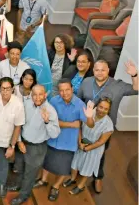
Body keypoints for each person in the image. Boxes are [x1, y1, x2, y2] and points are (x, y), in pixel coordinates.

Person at [76, 59, 138, 193]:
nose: (99, 72)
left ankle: (98, 177)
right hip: (86, 125)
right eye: (97, 70)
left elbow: (136, 89)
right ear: (93, 70)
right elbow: (79, 100)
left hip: (104, 129)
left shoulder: (117, 85)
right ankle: (80, 170)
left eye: (103, 70)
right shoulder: (86, 82)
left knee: (99, 153)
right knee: (82, 146)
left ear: (108, 71)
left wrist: (134, 75)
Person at [36, 79, 94, 202]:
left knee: (64, 168)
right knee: (46, 163)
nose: (64, 93)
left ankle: (56, 186)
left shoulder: (80, 105)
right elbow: (50, 121)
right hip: (52, 138)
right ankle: (43, 180)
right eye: (61, 90)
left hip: (68, 143)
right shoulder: (53, 101)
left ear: (72, 89)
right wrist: (71, 124)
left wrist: (89, 117)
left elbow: (90, 125)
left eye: (67, 89)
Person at [8, 85, 60, 205]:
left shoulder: (50, 110)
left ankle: (23, 196)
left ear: (45, 95)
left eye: (40, 94)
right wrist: (19, 141)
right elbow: (19, 124)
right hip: (22, 143)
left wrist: (47, 122)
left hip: (37, 148)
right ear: (31, 95)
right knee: (19, 168)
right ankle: (18, 186)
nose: (37, 97)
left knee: (30, 174)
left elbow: (55, 134)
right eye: (34, 94)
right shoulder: (26, 105)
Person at [65, 97, 114, 195]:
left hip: (94, 148)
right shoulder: (88, 113)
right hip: (82, 142)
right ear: (97, 105)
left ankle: (81, 186)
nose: (102, 110)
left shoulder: (108, 125)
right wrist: (80, 142)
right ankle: (73, 178)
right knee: (75, 163)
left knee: (88, 167)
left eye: (106, 109)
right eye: (101, 107)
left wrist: (87, 148)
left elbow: (101, 142)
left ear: (109, 110)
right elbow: (79, 127)